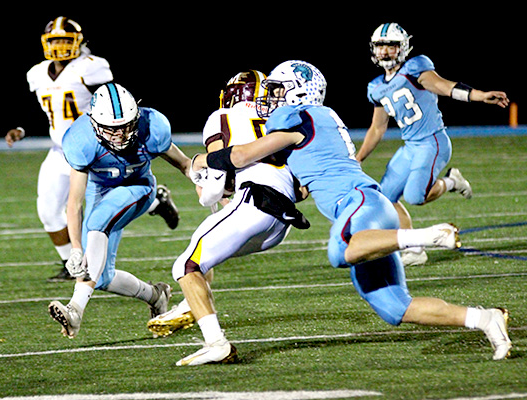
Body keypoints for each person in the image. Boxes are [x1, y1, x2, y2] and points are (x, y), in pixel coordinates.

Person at [190, 60, 512, 363]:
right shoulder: (319, 119)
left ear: (297, 91)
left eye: (276, 90)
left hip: (360, 205)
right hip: (368, 211)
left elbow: (241, 155)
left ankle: (427, 236)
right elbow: (304, 185)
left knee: (340, 250)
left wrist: (199, 161)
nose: (270, 98)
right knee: (395, 308)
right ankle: (485, 319)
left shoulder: (296, 118)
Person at [151, 70, 309, 365]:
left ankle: (216, 343)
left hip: (254, 202)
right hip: (282, 220)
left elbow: (212, 190)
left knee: (186, 265)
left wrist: (202, 181)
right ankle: (192, 303)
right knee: (204, 253)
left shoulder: (222, 116)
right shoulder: (280, 122)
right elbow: (301, 189)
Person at [5, 16, 179, 282]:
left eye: (66, 40)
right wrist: (21, 128)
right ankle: (70, 262)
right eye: (55, 41)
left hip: (95, 146)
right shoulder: (38, 73)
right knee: (49, 210)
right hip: (59, 150)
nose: (60, 46)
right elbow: (44, 107)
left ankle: (153, 200)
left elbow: (112, 99)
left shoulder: (90, 67)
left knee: (99, 206)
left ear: (78, 41)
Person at [356, 23, 510, 266]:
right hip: (410, 147)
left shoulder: (416, 68)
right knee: (385, 197)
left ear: (403, 47)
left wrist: (479, 95)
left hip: (432, 142)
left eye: (391, 45)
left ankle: (451, 182)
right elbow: (378, 127)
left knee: (416, 197)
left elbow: (443, 86)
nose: (385, 51)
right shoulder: (375, 87)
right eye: (381, 46)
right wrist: (359, 158)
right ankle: (415, 250)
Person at [48, 83, 191, 339]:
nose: (120, 134)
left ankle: (75, 311)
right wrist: (76, 249)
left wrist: (205, 179)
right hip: (99, 189)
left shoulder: (152, 126)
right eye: (112, 129)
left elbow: (184, 164)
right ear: (95, 124)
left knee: (97, 222)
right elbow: (74, 203)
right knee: (101, 277)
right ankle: (155, 295)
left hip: (139, 187)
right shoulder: (80, 140)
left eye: (126, 126)